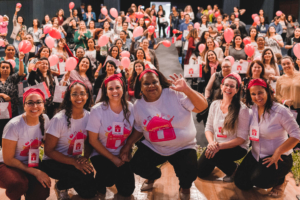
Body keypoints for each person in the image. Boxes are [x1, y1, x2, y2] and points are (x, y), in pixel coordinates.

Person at [119, 70, 208, 200]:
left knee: (189, 172)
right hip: (155, 146)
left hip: (183, 146)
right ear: (140, 87)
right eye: (146, 83)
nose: (151, 86)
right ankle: (153, 175)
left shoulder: (175, 94)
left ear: (160, 83)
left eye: (154, 82)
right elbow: (139, 128)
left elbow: (202, 107)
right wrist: (128, 145)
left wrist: (187, 90)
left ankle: (185, 187)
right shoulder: (138, 105)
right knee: (136, 165)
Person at [234, 78, 300, 197]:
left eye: (260, 92)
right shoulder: (252, 110)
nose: (257, 97)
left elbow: (296, 134)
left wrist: (278, 152)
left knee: (259, 181)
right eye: (253, 94)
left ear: (268, 92)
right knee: (241, 183)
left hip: (279, 157)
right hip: (255, 155)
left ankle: (281, 181)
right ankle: (260, 173)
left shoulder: (280, 111)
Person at [42, 80, 97, 200]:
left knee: (90, 192)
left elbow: (88, 142)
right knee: (77, 174)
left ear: (87, 96)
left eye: (82, 93)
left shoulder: (89, 116)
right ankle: (61, 186)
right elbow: (49, 151)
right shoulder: (59, 119)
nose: (79, 97)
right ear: (69, 97)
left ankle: (70, 182)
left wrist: (85, 158)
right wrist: (74, 163)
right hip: (53, 161)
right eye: (74, 94)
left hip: (74, 160)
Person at [87, 74, 135, 199]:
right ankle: (99, 184)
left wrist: (128, 148)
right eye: (110, 88)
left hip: (121, 154)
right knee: (108, 179)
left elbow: (138, 131)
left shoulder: (131, 108)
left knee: (127, 190)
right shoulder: (97, 110)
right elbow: (92, 140)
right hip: (101, 154)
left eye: (117, 87)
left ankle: (113, 176)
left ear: (123, 89)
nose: (114, 91)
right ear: (105, 91)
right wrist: (113, 159)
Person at [0, 88, 51, 200]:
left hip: (30, 162)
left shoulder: (45, 119)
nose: (35, 106)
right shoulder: (14, 125)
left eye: (38, 102)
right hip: (7, 164)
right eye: (30, 103)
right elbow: (8, 159)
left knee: (42, 190)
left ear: (43, 104)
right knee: (18, 184)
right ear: (24, 106)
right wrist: (36, 172)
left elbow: (48, 144)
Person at [198, 73, 250, 182]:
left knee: (215, 155)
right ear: (221, 87)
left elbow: (241, 139)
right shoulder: (214, 104)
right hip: (217, 145)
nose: (228, 88)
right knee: (200, 172)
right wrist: (211, 143)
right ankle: (222, 162)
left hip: (237, 147)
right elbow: (208, 128)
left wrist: (219, 147)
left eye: (232, 86)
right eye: (226, 85)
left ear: (237, 90)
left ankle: (234, 170)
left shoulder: (242, 109)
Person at [0, 59, 25, 145]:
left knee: (11, 130)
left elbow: (21, 72)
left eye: (7, 67)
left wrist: (21, 59)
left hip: (12, 110)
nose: (5, 69)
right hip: (0, 112)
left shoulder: (12, 79)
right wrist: (2, 95)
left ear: (10, 69)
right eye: (3, 67)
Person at [276, 56, 300, 142]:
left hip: (299, 108)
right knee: (289, 130)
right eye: (284, 64)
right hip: (286, 109)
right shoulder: (280, 79)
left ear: (293, 64)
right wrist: (284, 101)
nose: (286, 66)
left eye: (288, 63)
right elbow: (277, 95)